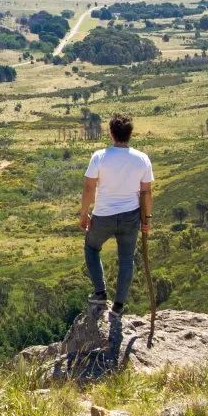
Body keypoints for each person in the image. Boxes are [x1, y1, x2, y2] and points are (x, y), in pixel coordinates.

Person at [79, 113, 154, 313]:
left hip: (103, 215)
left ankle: (100, 293)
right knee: (126, 258)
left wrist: (84, 213)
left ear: (111, 133)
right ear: (130, 134)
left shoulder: (100, 156)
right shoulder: (142, 159)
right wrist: (146, 220)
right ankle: (119, 305)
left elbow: (88, 188)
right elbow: (146, 192)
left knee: (91, 247)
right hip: (131, 215)